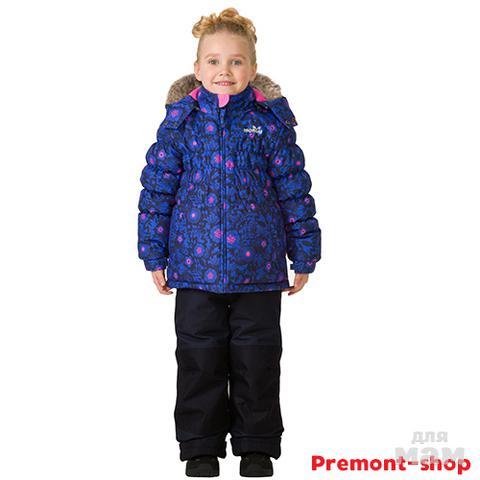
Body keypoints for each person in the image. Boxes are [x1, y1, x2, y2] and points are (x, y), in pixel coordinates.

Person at [137, 7, 321, 477]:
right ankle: (200, 446)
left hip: (258, 270)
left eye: (236, 61)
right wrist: (153, 253)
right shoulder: (180, 125)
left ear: (252, 69)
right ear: (197, 69)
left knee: (257, 360)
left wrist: (304, 252)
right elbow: (157, 190)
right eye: (214, 61)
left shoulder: (269, 124)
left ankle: (256, 445)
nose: (225, 70)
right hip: (194, 270)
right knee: (198, 359)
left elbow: (293, 190)